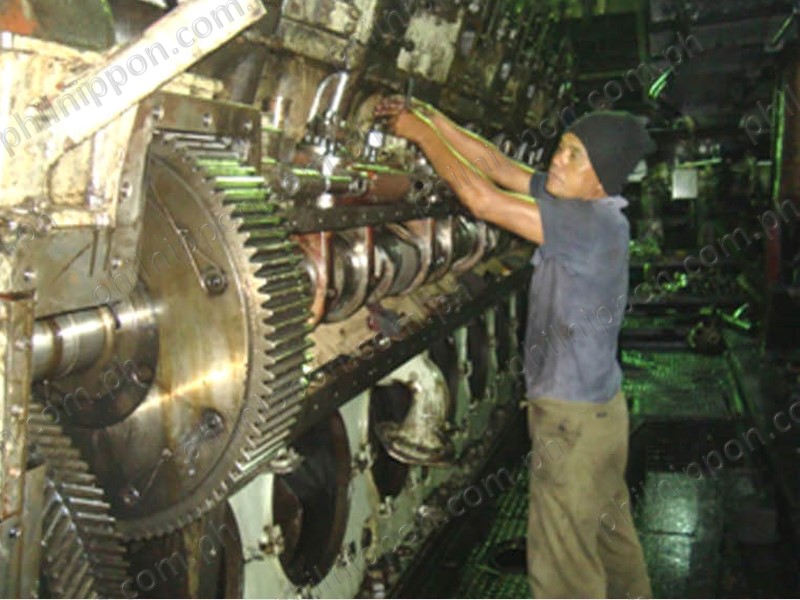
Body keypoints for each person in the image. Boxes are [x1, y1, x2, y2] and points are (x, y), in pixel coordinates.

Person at [374, 97, 655, 599]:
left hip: (571, 425)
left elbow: (483, 200)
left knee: (562, 567)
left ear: (601, 178)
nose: (556, 159)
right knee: (611, 538)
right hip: (603, 417)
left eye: (573, 155)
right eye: (562, 147)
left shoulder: (585, 225)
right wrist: (436, 118)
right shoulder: (587, 206)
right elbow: (499, 167)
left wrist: (420, 134)